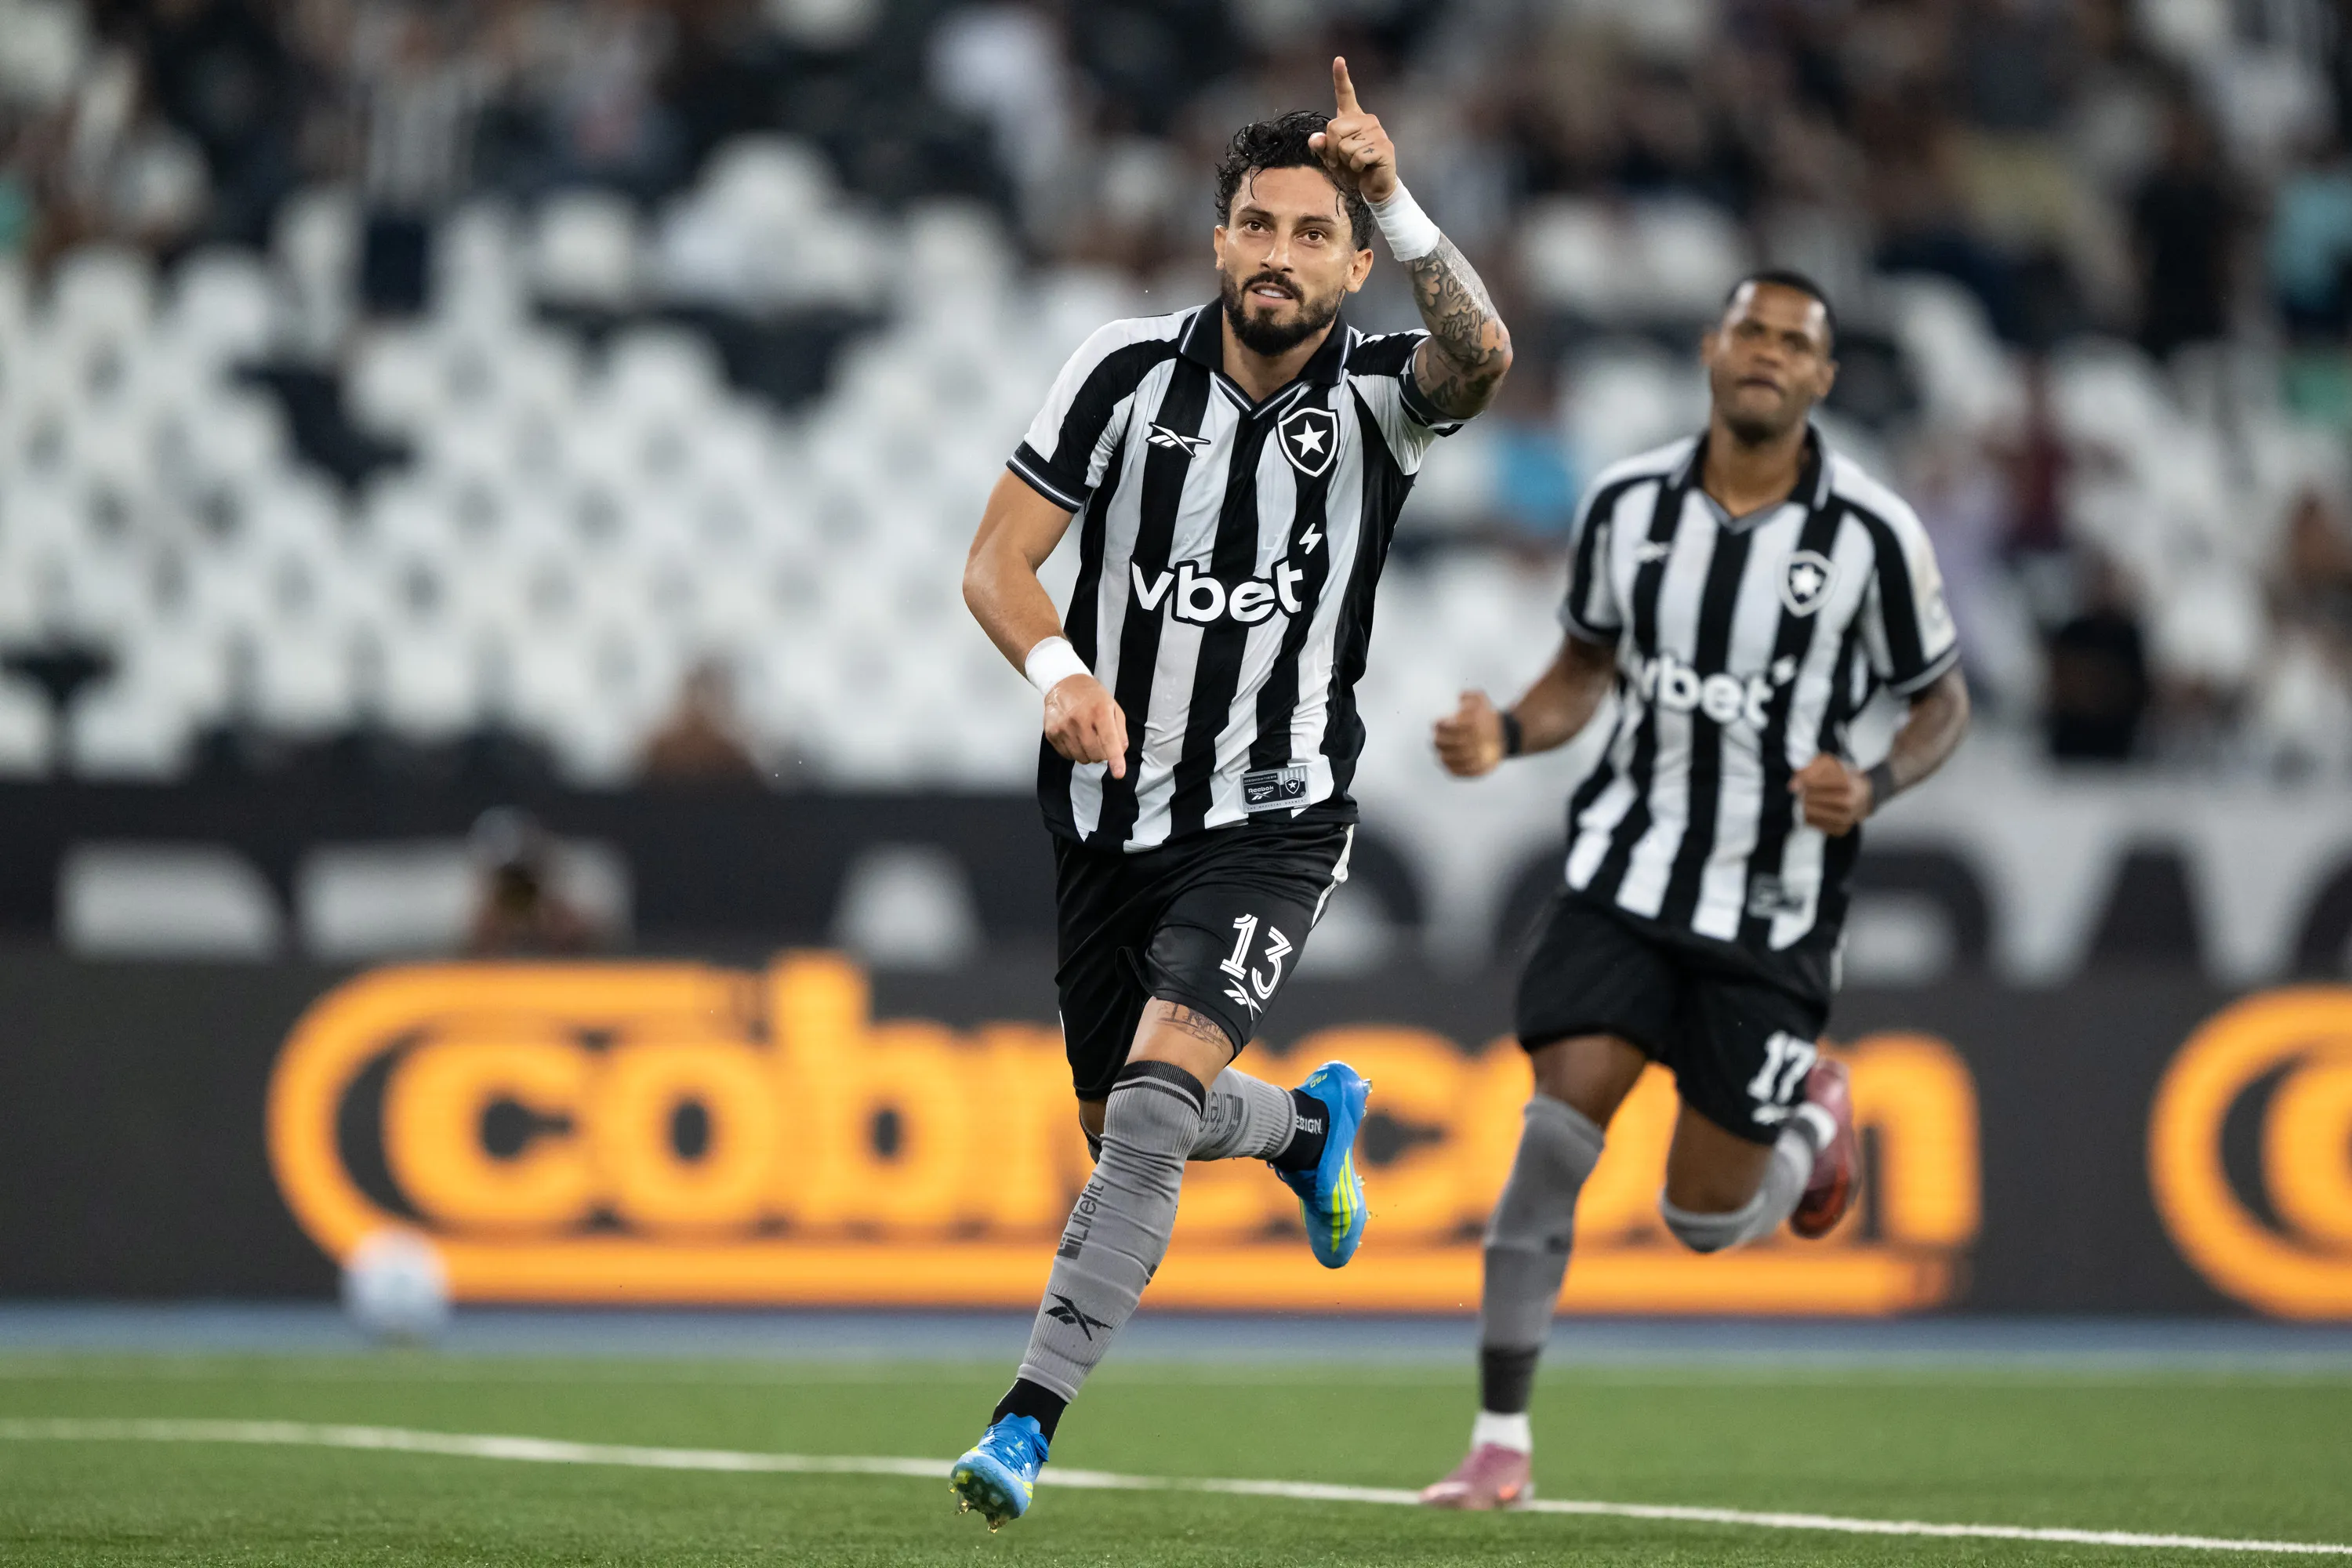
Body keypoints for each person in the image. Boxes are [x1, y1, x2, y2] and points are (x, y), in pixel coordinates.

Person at [952, 58, 1514, 1528]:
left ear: (1350, 258)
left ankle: (1023, 1426)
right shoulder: (1123, 372)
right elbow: (996, 563)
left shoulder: (1386, 397)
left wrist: (1397, 195)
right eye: (1257, 225)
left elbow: (1488, 354)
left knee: (1144, 1119)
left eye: (1315, 232)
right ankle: (1307, 1131)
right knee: (1123, 1119)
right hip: (1106, 811)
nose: (1279, 254)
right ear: (1219, 241)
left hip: (1277, 814)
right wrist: (1060, 674)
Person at [1419, 270, 1969, 1509]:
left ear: (1825, 376)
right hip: (1625, 873)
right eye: (1752, 332)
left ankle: (1815, 1120)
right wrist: (1509, 730)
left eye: (1797, 342)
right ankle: (1500, 1441)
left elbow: (1945, 703)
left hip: (1770, 913)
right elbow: (1580, 673)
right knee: (1554, 1135)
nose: (1771, 353)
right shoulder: (1625, 505)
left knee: (1705, 1222)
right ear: (1714, 352)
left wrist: (1874, 784)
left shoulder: (1872, 535)